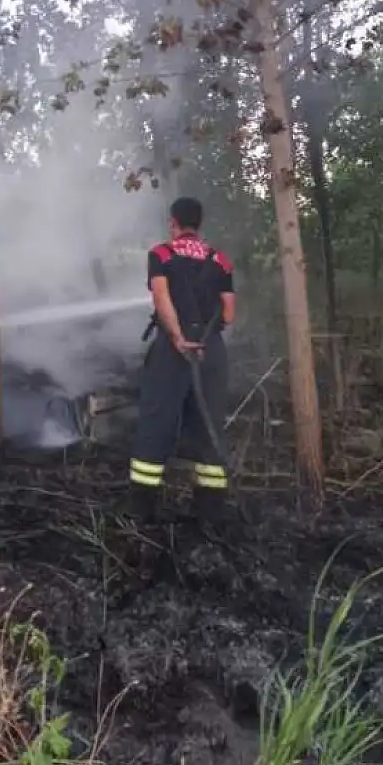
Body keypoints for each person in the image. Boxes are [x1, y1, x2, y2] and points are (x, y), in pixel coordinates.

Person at [127, 196, 236, 525]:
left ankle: (141, 512)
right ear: (199, 224)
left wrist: (177, 337)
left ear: (173, 222)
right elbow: (229, 311)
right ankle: (210, 512)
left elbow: (161, 297)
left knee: (156, 424)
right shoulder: (221, 260)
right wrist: (204, 338)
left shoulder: (161, 254)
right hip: (211, 353)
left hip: (173, 353)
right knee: (209, 426)